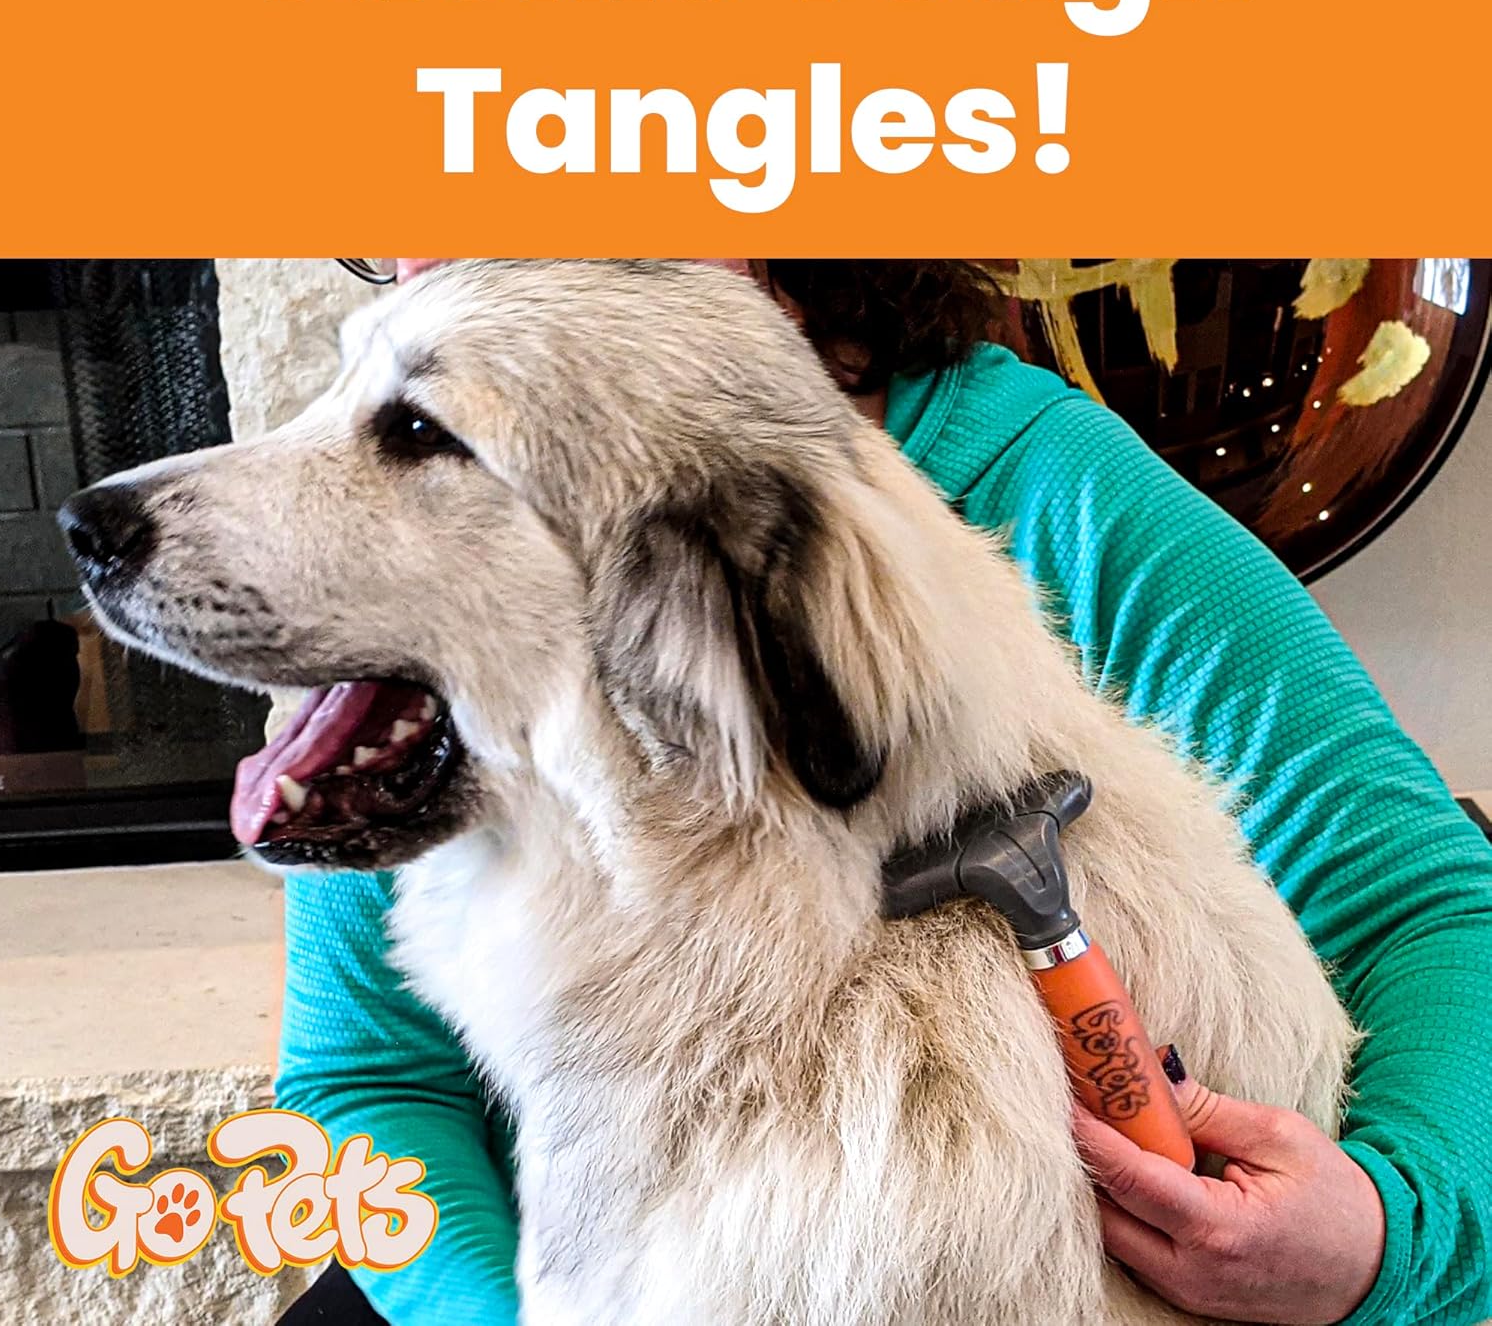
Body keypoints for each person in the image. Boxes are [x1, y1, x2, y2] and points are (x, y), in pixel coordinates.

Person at [277, 259, 1492, 1326]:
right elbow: (370, 1079)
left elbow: (1428, 908)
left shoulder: (1054, 491)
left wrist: (1389, 1232)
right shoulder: (417, 553)